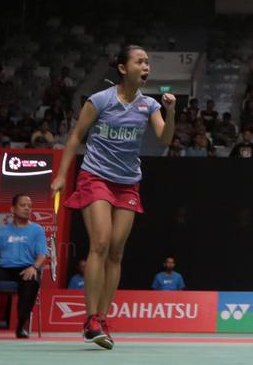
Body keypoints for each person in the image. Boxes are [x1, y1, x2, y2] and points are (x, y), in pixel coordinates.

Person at [52, 45, 177, 349]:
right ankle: (90, 318)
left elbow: (165, 138)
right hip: (95, 176)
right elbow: (75, 137)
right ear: (122, 68)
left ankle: (102, 318)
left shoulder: (149, 105)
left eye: (147, 62)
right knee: (101, 243)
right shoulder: (100, 100)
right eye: (139, 62)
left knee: (117, 253)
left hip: (128, 183)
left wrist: (171, 111)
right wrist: (61, 175)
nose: (146, 67)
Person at [0, 194, 49, 339]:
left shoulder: (37, 230)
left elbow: (42, 255)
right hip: (5, 269)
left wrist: (34, 267)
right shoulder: (3, 231)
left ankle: (21, 325)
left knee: (31, 281)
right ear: (13, 209)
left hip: (26, 268)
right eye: (23, 205)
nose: (27, 208)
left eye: (29, 206)